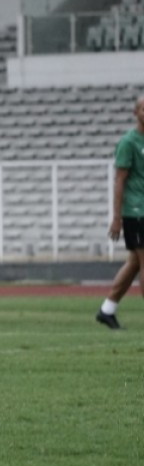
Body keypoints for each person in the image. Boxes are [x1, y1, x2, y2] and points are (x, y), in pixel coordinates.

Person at [97, 95, 144, 330]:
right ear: (135, 112)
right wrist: (116, 218)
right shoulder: (128, 142)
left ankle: (107, 310)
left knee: (135, 262)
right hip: (136, 211)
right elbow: (119, 181)